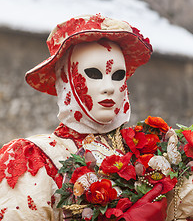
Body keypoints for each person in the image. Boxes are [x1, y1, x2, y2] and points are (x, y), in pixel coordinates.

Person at [0, 14, 166, 220]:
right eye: (94, 74)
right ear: (66, 78)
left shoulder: (149, 153)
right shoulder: (36, 158)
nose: (109, 88)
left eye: (118, 76)